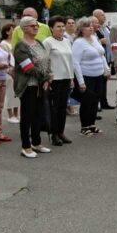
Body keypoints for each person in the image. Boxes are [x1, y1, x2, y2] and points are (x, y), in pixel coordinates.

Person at [14, 16, 53, 156]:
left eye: (36, 25)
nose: (36, 27)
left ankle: (36, 143)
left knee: (39, 114)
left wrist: (49, 76)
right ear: (24, 28)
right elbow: (28, 67)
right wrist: (45, 78)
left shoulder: (38, 42)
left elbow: (46, 61)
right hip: (29, 85)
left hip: (41, 84)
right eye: (32, 26)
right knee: (27, 115)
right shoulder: (20, 46)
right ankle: (26, 146)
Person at [71, 16, 111, 137]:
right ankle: (84, 127)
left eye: (91, 26)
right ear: (81, 29)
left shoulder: (94, 38)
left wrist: (106, 69)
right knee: (87, 102)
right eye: (88, 26)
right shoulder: (78, 42)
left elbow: (101, 55)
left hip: (98, 75)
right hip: (86, 76)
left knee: (95, 101)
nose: (91, 28)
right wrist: (81, 82)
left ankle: (92, 125)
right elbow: (75, 63)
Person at [43, 16, 74, 146]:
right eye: (58, 26)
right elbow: (44, 62)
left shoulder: (67, 41)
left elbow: (70, 61)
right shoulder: (47, 42)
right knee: (54, 108)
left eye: (62, 26)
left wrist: (71, 77)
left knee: (62, 107)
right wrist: (47, 77)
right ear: (51, 28)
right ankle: (53, 134)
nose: (61, 28)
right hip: (54, 79)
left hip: (66, 78)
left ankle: (61, 132)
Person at [92, 9, 115, 111]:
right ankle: (96, 105)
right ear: (95, 17)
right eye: (101, 15)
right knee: (98, 83)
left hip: (107, 59)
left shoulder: (106, 28)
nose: (104, 16)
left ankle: (104, 102)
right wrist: (100, 41)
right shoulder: (94, 30)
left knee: (104, 82)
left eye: (104, 15)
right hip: (99, 60)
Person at [0, 23, 19, 124]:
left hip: (17, 70)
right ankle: (10, 115)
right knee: (10, 93)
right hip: (9, 71)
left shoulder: (16, 42)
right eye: (13, 29)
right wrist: (10, 70)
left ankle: (16, 114)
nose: (15, 30)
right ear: (7, 32)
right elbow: (4, 59)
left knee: (17, 93)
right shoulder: (3, 44)